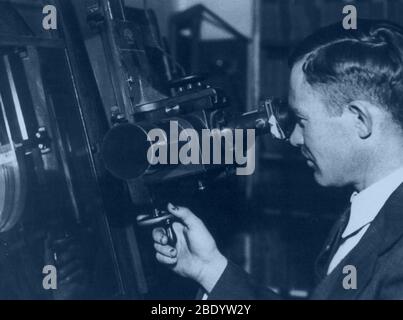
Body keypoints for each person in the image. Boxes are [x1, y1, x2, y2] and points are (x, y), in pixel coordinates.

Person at [151, 19, 403, 300]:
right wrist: (208, 268)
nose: (294, 139)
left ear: (360, 120)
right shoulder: (374, 211)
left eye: (303, 121)